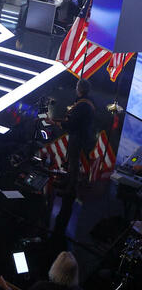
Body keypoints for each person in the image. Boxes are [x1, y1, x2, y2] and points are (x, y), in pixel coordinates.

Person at [54, 79, 94, 238]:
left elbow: (72, 123)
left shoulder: (83, 105)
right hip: (81, 136)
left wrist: (61, 124)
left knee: (73, 162)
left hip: (78, 137)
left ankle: (70, 187)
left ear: (80, 89)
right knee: (72, 161)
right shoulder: (87, 104)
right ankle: (68, 183)